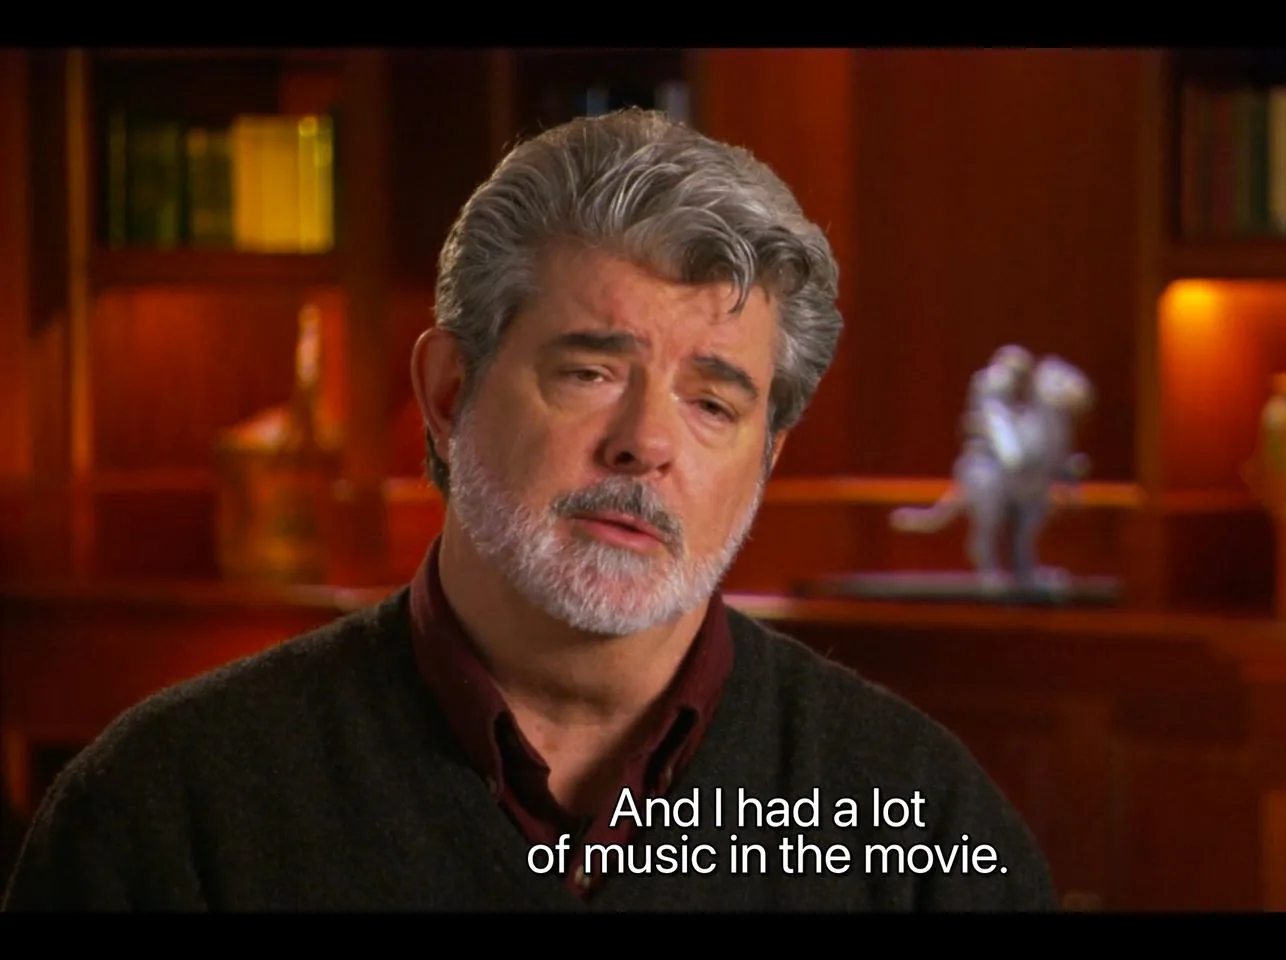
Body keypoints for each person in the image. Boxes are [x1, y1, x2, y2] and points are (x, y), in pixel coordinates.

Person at [3, 108, 1057, 912]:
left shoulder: (915, 817)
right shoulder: (168, 811)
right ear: (449, 395)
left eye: (712, 401)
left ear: (766, 458)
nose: (646, 442)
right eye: (592, 371)